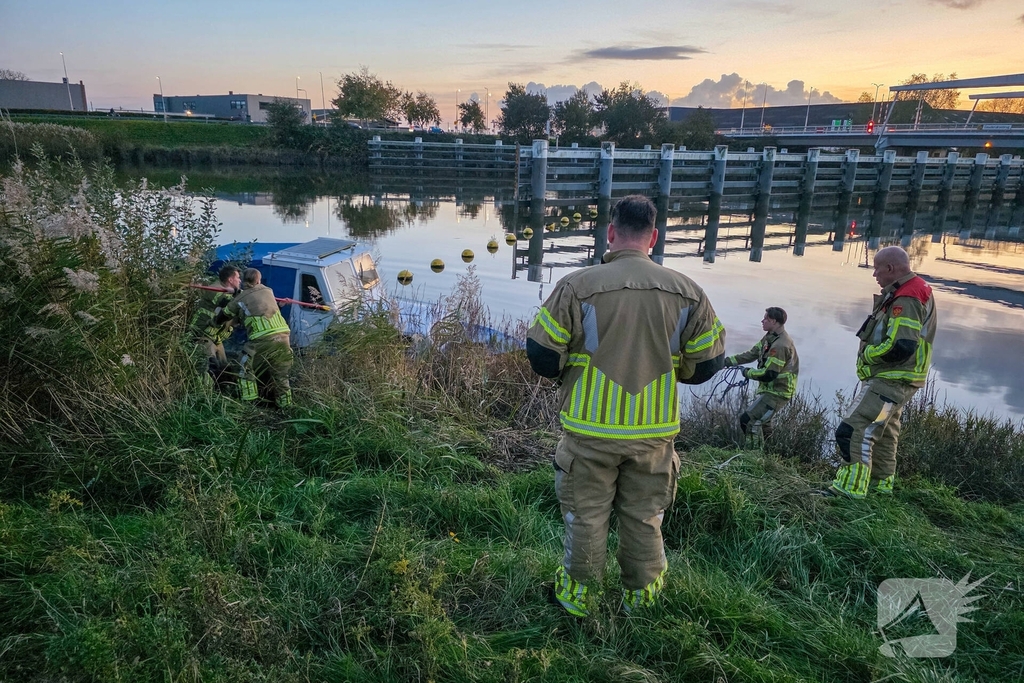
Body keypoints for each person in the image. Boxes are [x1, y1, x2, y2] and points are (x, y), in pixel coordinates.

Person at [526, 195, 726, 617]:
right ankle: (642, 600)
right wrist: (672, 370)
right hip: (653, 434)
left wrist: (571, 366)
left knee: (586, 518)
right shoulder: (689, 293)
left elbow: (542, 355)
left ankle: (578, 601)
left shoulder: (577, 286)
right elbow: (708, 364)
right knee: (644, 517)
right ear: (653, 236)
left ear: (611, 233)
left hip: (589, 430)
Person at [823, 246, 936, 499]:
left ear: (890, 268)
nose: (874, 274)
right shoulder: (911, 290)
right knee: (883, 433)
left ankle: (848, 490)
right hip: (901, 380)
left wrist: (868, 355)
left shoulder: (907, 296)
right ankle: (879, 488)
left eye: (876, 268)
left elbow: (901, 346)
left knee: (853, 428)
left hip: (891, 379)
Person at [215, 267, 294, 408]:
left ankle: (249, 403)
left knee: (243, 367)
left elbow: (224, 315)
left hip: (261, 339)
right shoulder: (268, 291)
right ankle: (286, 407)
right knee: (281, 373)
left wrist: (217, 318)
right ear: (258, 280)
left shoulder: (240, 298)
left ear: (244, 280)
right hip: (284, 337)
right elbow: (260, 305)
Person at [724, 307, 799, 445]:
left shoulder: (781, 345)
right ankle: (770, 454)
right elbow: (751, 354)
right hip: (771, 390)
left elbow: (769, 374)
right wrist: (726, 362)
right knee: (764, 424)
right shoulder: (769, 337)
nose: (762, 321)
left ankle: (753, 456)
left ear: (774, 322)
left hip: (778, 392)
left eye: (766, 319)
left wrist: (747, 373)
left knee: (748, 420)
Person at [190, 265, 241, 390]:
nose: (240, 281)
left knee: (224, 366)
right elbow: (225, 303)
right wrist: (237, 293)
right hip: (202, 334)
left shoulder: (228, 292)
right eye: (238, 278)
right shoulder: (215, 288)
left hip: (215, 337)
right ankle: (205, 395)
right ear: (230, 280)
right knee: (209, 366)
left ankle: (223, 390)